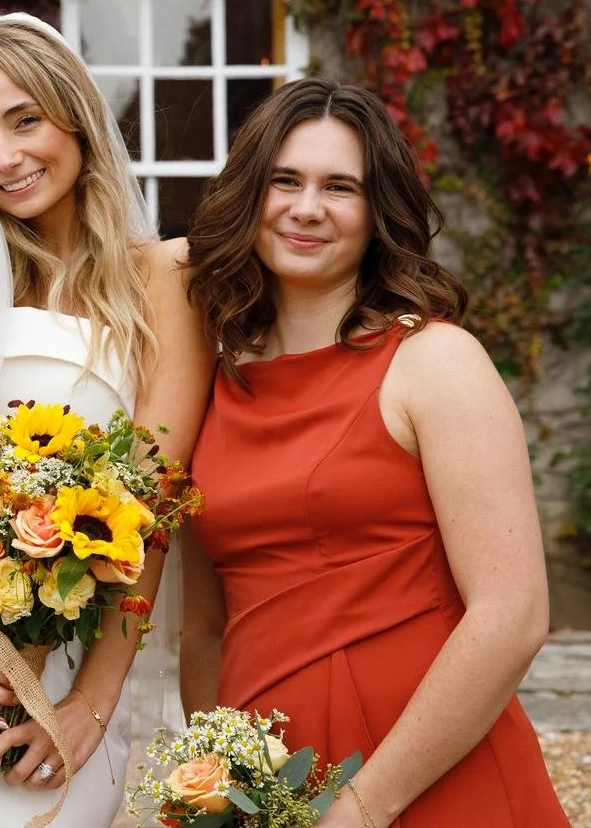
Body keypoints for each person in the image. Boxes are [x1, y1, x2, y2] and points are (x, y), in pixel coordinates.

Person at [180, 78, 570, 827]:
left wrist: (363, 807)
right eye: (284, 181)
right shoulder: (214, 377)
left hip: (427, 775)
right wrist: (218, 779)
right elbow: (203, 626)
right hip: (267, 781)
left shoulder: (435, 361)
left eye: (340, 187)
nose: (305, 208)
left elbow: (512, 614)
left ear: (377, 210)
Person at [0, 14, 213, 828]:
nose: (5, 159)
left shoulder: (165, 277)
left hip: (77, 659)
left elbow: (156, 504)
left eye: (24, 121)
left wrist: (92, 701)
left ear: (75, 115)